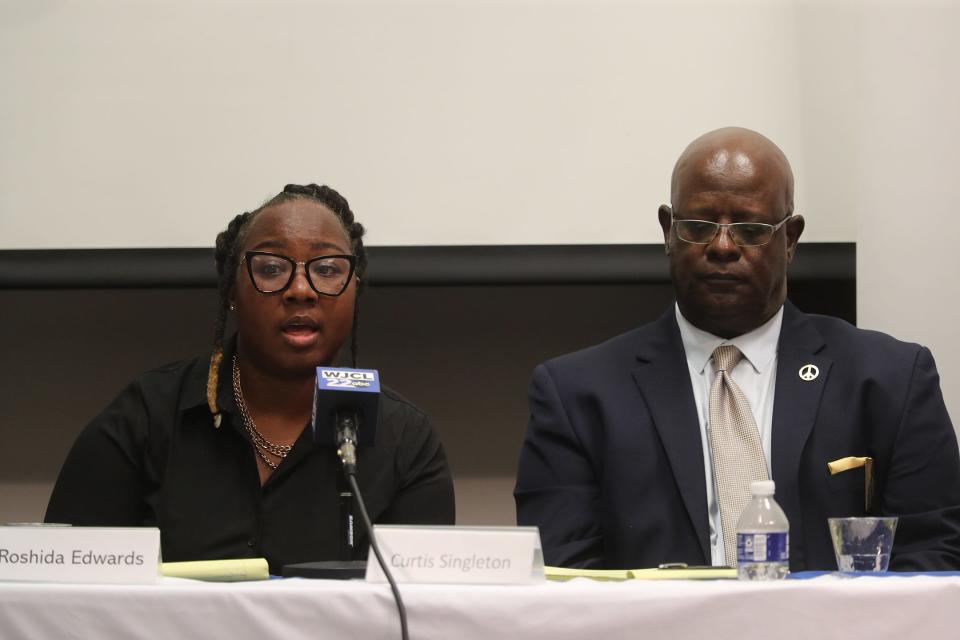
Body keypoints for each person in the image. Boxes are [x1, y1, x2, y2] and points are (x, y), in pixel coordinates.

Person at [515, 128, 960, 571]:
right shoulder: (578, 395)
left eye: (750, 229)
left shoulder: (890, 380)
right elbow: (564, 578)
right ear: (668, 231)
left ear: (790, 240)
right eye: (699, 227)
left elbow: (933, 560)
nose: (723, 247)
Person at [46, 184, 455, 573]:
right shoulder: (146, 418)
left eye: (328, 268)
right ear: (231, 290)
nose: (300, 290)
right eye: (272, 268)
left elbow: (423, 611)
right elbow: (61, 585)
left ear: (354, 289)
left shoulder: (405, 441)